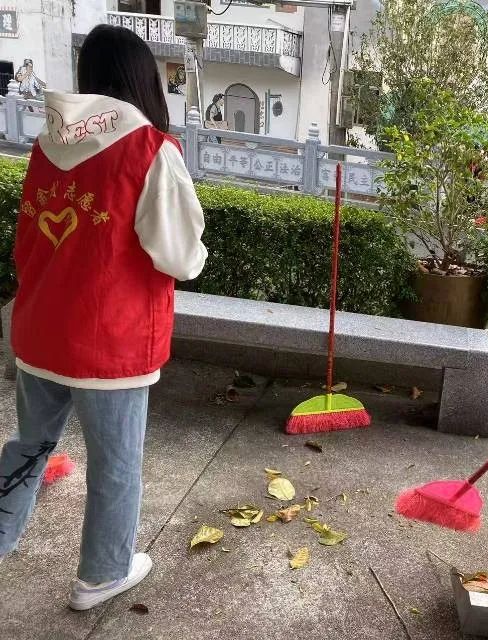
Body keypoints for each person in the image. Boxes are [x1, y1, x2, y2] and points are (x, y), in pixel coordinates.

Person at [0, 25, 207, 610]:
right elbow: (180, 256)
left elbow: (28, 243)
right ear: (143, 77)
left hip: (40, 331)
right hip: (108, 343)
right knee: (115, 466)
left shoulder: (47, 145)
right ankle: (102, 575)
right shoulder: (149, 151)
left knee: (29, 446)